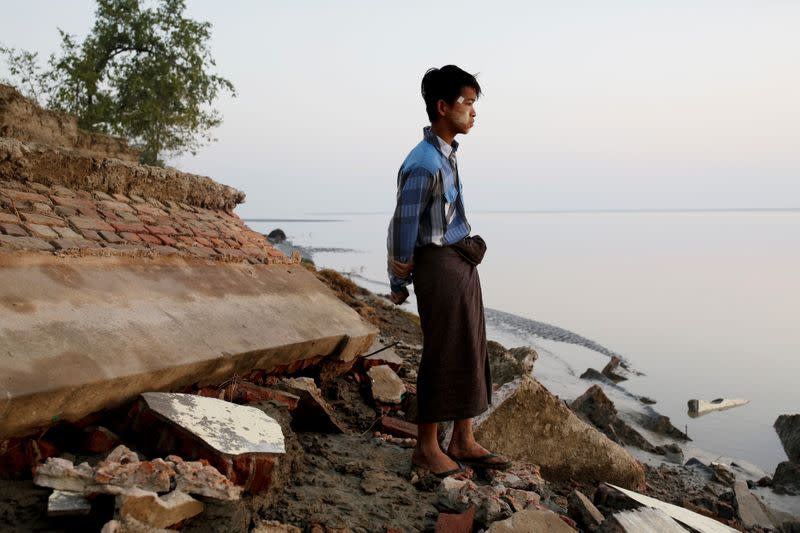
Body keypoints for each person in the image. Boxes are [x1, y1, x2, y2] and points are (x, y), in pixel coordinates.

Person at [386, 65, 511, 478]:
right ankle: (426, 446)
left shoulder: (447, 153)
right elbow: (404, 224)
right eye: (467, 103)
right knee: (442, 351)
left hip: (459, 259)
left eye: (475, 103)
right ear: (443, 107)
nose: (474, 112)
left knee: (470, 345)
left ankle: (463, 438)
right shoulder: (423, 162)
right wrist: (398, 280)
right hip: (438, 265)